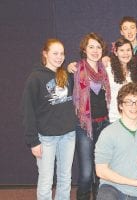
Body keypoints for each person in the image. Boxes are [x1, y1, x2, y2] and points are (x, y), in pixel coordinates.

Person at [22, 38, 76, 200]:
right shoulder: (35, 78)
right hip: (46, 138)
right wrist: (33, 141)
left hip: (68, 135)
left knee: (65, 177)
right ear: (45, 54)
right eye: (55, 53)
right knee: (46, 180)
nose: (59, 57)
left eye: (61, 53)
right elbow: (27, 111)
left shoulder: (66, 75)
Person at [95, 83, 137, 200]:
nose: (134, 107)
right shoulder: (108, 133)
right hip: (113, 188)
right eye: (128, 102)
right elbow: (101, 171)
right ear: (120, 105)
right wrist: (133, 182)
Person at [73, 32, 111, 200]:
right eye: (91, 47)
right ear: (84, 49)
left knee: (101, 171)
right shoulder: (76, 69)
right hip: (84, 126)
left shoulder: (105, 69)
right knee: (87, 173)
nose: (95, 50)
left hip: (105, 125)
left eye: (98, 47)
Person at [106, 37, 137, 122]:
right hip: (113, 117)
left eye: (128, 50)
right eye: (122, 50)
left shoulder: (133, 70)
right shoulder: (108, 69)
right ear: (116, 52)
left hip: (130, 117)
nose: (126, 53)